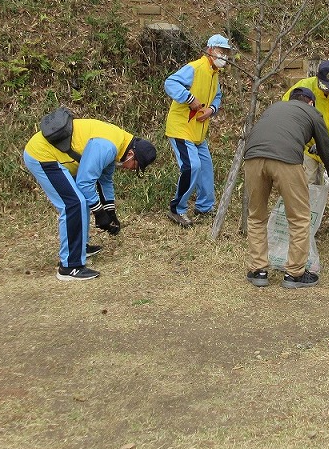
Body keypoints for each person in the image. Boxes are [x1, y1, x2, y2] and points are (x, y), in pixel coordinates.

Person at [23, 116, 157, 281]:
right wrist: (99, 213)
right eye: (136, 165)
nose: (132, 169)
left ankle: (80, 247)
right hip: (42, 155)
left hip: (52, 155)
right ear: (131, 154)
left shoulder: (118, 144)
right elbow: (85, 183)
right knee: (73, 204)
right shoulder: (107, 147)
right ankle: (69, 267)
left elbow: (105, 180)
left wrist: (110, 212)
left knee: (81, 201)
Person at [244, 87, 329, 289]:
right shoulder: (312, 113)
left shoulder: (274, 107)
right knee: (299, 218)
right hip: (286, 160)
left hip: (253, 158)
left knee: (256, 216)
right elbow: (326, 147)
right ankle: (294, 274)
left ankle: (258, 270)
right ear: (311, 103)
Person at [282, 60, 329, 239]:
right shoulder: (303, 87)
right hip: (309, 145)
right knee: (307, 183)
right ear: (317, 78)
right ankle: (307, 222)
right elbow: (287, 107)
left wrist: (325, 140)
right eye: (324, 87)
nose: (328, 91)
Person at [163, 34, 231, 228]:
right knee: (192, 167)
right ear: (210, 50)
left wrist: (212, 109)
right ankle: (177, 209)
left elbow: (217, 96)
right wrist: (190, 99)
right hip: (181, 128)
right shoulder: (195, 67)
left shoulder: (214, 73)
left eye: (226, 52)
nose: (224, 56)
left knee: (206, 168)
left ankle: (204, 207)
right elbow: (170, 83)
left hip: (199, 132)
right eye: (220, 51)